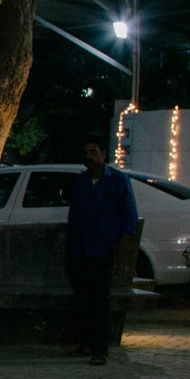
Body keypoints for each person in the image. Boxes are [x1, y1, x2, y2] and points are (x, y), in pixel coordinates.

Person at [67, 136, 138, 365]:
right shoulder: (81, 182)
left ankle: (100, 349)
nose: (89, 156)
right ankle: (86, 343)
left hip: (104, 249)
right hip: (81, 249)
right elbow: (74, 215)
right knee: (83, 300)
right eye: (86, 152)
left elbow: (129, 215)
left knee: (101, 301)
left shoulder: (118, 180)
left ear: (103, 154)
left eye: (93, 151)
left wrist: (121, 247)